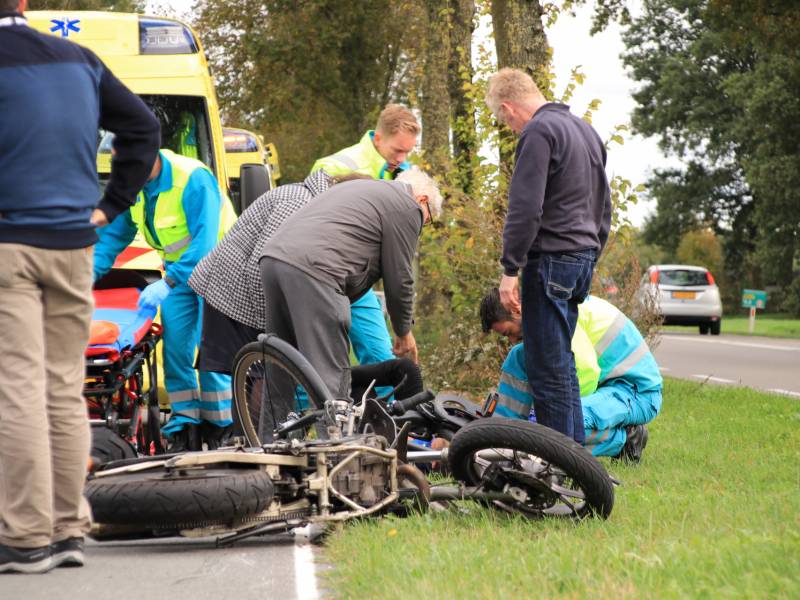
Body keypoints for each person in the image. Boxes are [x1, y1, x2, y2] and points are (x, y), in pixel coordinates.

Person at [0, 0, 160, 573]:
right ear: (22, 4)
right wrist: (110, 203)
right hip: (72, 243)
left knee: (15, 385)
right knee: (63, 386)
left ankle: (23, 536)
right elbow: (144, 125)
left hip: (7, 244)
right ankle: (69, 529)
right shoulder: (78, 60)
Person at [257, 170, 442, 431]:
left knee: (281, 368)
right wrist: (404, 332)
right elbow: (400, 278)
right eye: (428, 221)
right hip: (316, 270)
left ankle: (271, 451)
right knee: (330, 377)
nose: (421, 229)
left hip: (274, 260)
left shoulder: (362, 193)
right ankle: (335, 456)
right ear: (422, 199)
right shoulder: (407, 206)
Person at [485, 68, 612, 444]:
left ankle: (558, 472)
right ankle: (578, 465)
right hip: (581, 258)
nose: (508, 128)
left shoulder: (539, 132)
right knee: (562, 367)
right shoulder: (585, 130)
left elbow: (525, 207)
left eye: (502, 120)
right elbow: (603, 206)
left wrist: (510, 270)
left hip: (551, 260)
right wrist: (591, 254)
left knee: (546, 369)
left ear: (508, 108)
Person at [93, 149, 237, 452]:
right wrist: (85, 277)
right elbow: (113, 237)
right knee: (176, 351)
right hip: (178, 272)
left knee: (210, 350)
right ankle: (186, 425)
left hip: (219, 266)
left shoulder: (192, 179)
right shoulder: (136, 184)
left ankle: (221, 427)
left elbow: (205, 241)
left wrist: (168, 283)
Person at [189, 171, 368, 375]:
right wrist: (270, 325)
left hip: (244, 288)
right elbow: (263, 262)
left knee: (261, 376)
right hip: (233, 289)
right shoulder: (298, 204)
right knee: (259, 375)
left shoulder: (316, 204)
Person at [480, 288, 662, 461]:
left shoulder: (557, 318)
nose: (511, 339)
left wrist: (547, 413)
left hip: (636, 392)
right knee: (519, 355)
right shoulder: (544, 313)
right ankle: (503, 437)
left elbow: (586, 373)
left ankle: (627, 438)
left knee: (561, 425)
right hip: (607, 386)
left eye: (509, 332)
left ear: (517, 310)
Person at [310, 104, 420, 369]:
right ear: (378, 138)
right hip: (322, 274)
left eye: (408, 151)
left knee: (381, 355)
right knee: (318, 361)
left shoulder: (400, 173)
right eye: (398, 150)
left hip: (359, 282)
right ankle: (308, 410)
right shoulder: (334, 166)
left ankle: (385, 408)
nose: (402, 158)